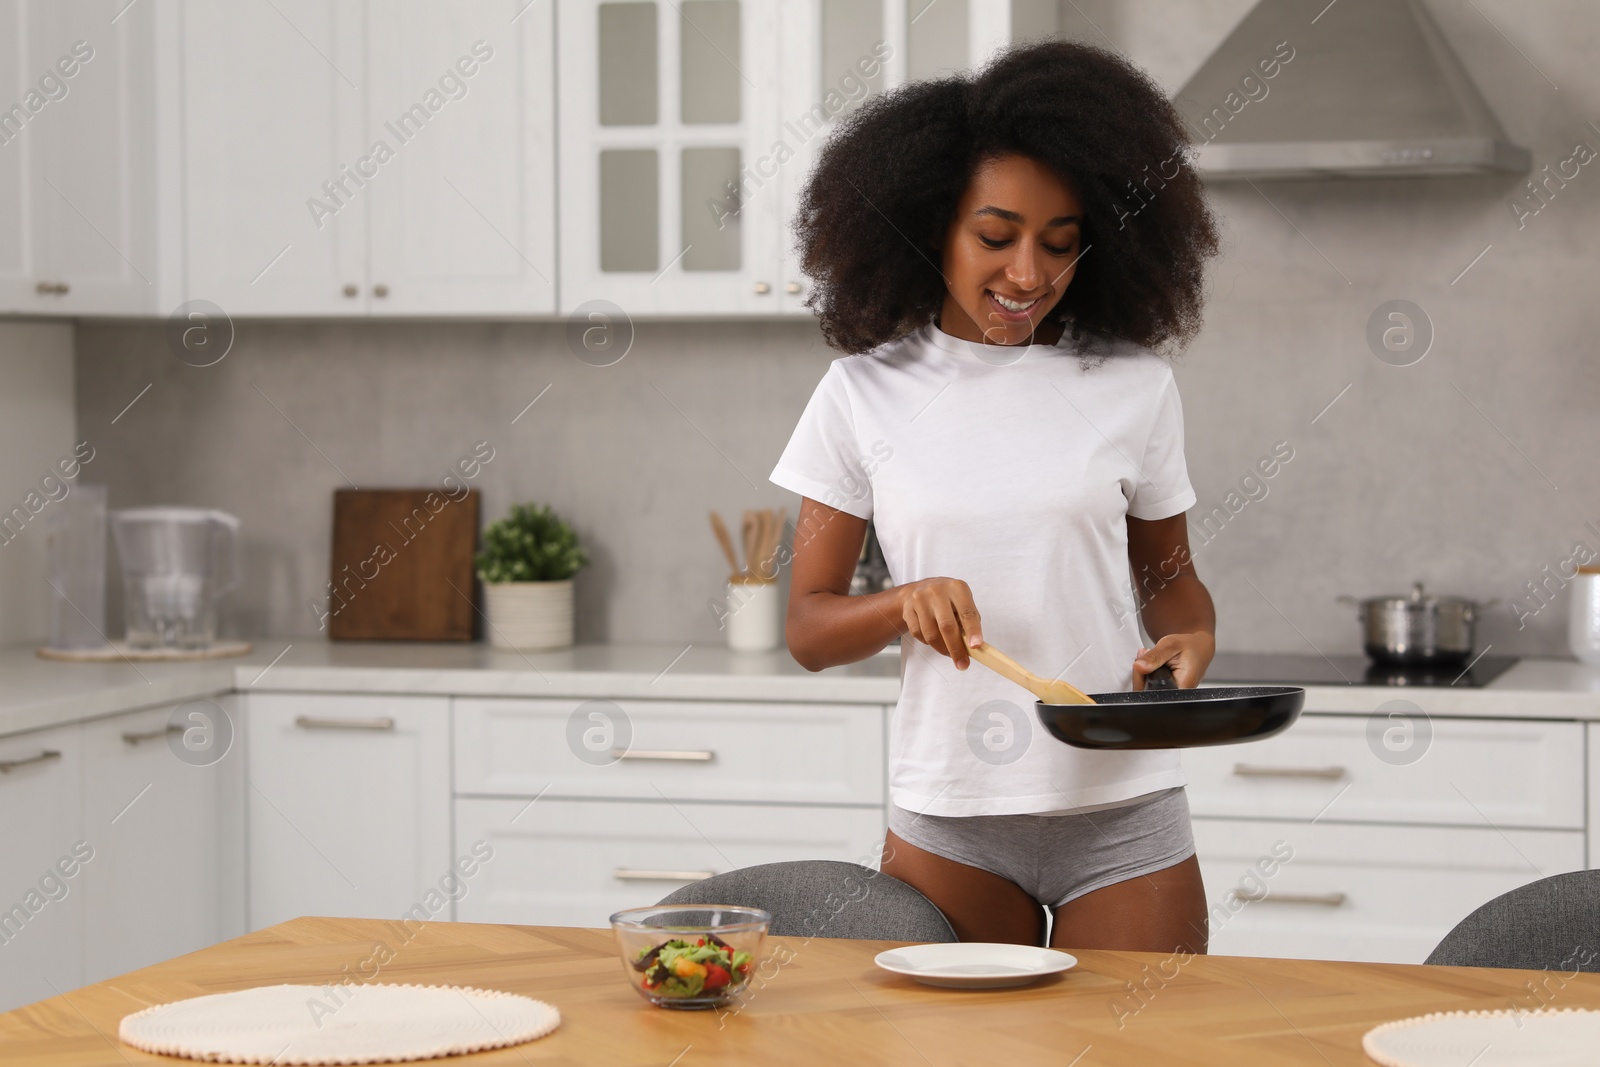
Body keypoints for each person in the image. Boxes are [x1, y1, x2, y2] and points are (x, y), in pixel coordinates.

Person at [769, 40, 1222, 953]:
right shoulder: (860, 393)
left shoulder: (1133, 385)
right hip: (954, 815)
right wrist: (902, 603)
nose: (1027, 275)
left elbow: (1170, 580)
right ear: (929, 222)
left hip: (1122, 804)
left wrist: (1194, 634)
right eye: (995, 236)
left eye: (1060, 246)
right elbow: (810, 630)